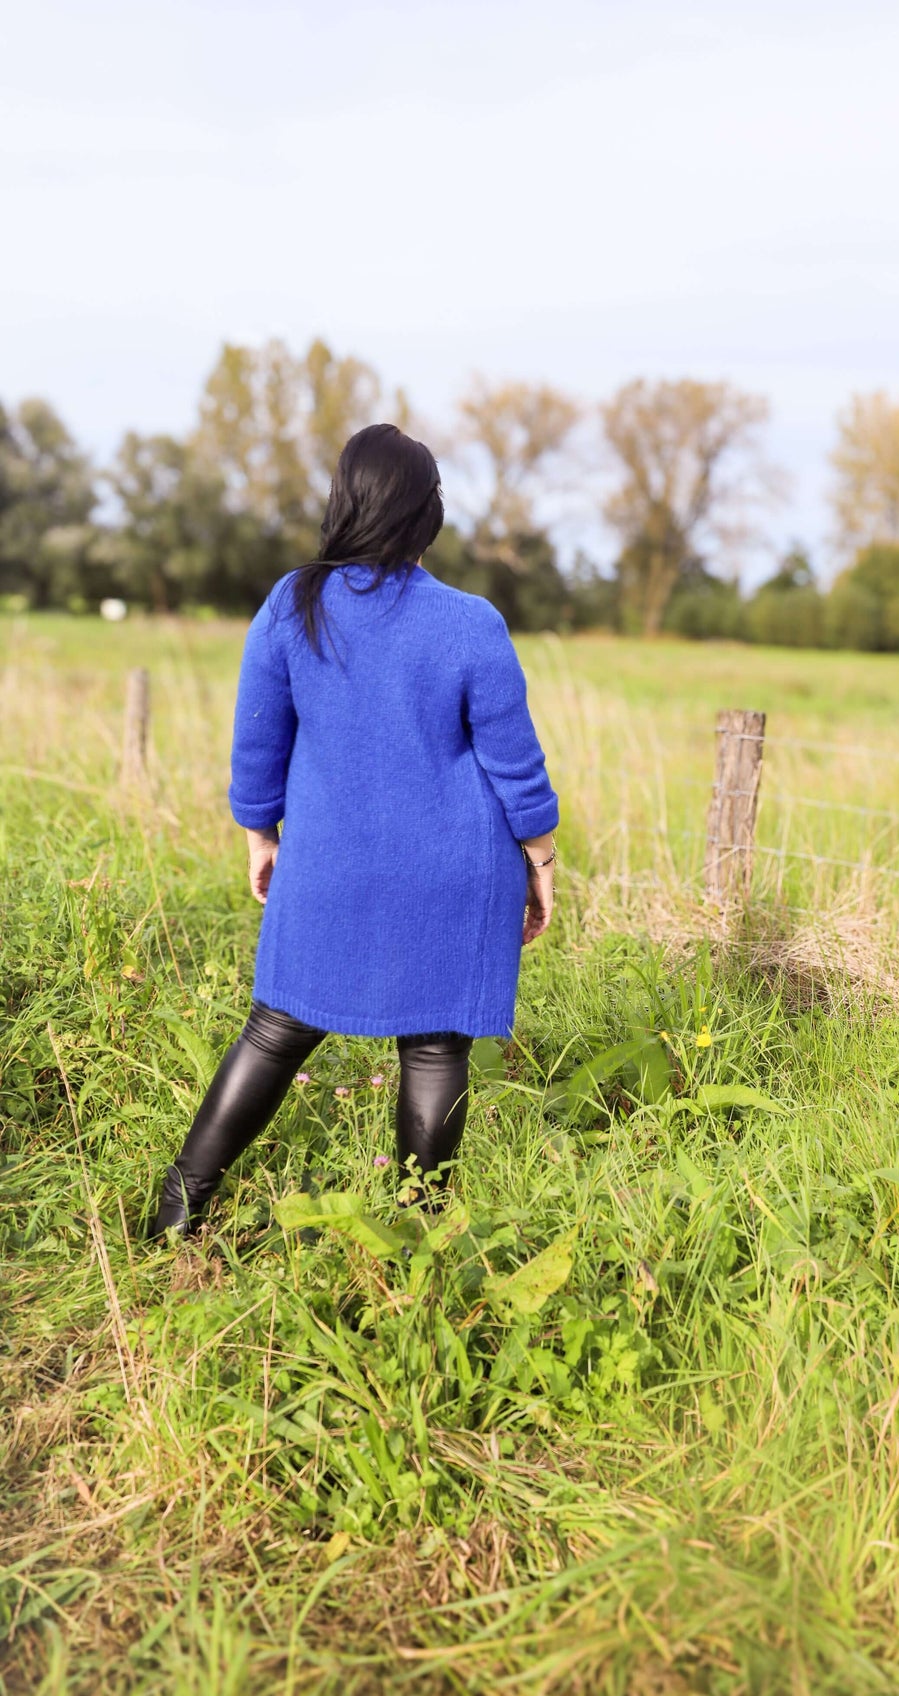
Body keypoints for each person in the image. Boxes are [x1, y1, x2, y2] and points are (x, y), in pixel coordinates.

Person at [148, 424, 558, 1239]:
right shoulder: (472, 622)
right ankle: (420, 1239)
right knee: (437, 1049)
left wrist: (259, 834)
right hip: (455, 868)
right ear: (427, 514)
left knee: (275, 1029)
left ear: (345, 502)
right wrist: (540, 856)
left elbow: (258, 738)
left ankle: (178, 1211)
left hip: (329, 863)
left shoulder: (292, 603)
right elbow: (514, 761)